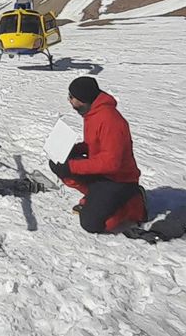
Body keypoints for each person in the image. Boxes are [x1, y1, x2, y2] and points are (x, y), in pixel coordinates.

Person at [49, 76, 147, 233]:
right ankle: (94, 197)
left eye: (71, 97)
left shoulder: (110, 120)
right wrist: (74, 150)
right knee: (58, 164)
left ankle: (133, 204)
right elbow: (95, 145)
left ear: (82, 100)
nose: (69, 100)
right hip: (103, 174)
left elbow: (111, 163)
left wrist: (72, 166)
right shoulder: (92, 112)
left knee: (91, 223)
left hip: (119, 180)